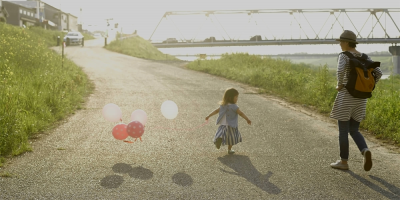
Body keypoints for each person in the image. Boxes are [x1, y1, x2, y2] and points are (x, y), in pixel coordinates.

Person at [330, 30, 382, 171]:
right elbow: (378, 73)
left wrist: (340, 84)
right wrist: (369, 86)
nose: (340, 44)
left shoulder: (344, 56)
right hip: (361, 98)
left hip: (346, 96)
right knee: (354, 129)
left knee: (343, 130)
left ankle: (344, 162)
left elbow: (340, 71)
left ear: (346, 42)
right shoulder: (364, 56)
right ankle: (365, 151)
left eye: (341, 42)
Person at [205, 88, 251, 154]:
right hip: (231, 125)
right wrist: (247, 119)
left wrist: (209, 116)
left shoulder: (223, 105)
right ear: (230, 98)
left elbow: (216, 111)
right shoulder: (234, 107)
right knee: (231, 138)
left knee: (220, 133)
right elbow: (241, 113)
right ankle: (229, 149)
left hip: (223, 124)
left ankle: (219, 139)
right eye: (236, 97)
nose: (237, 98)